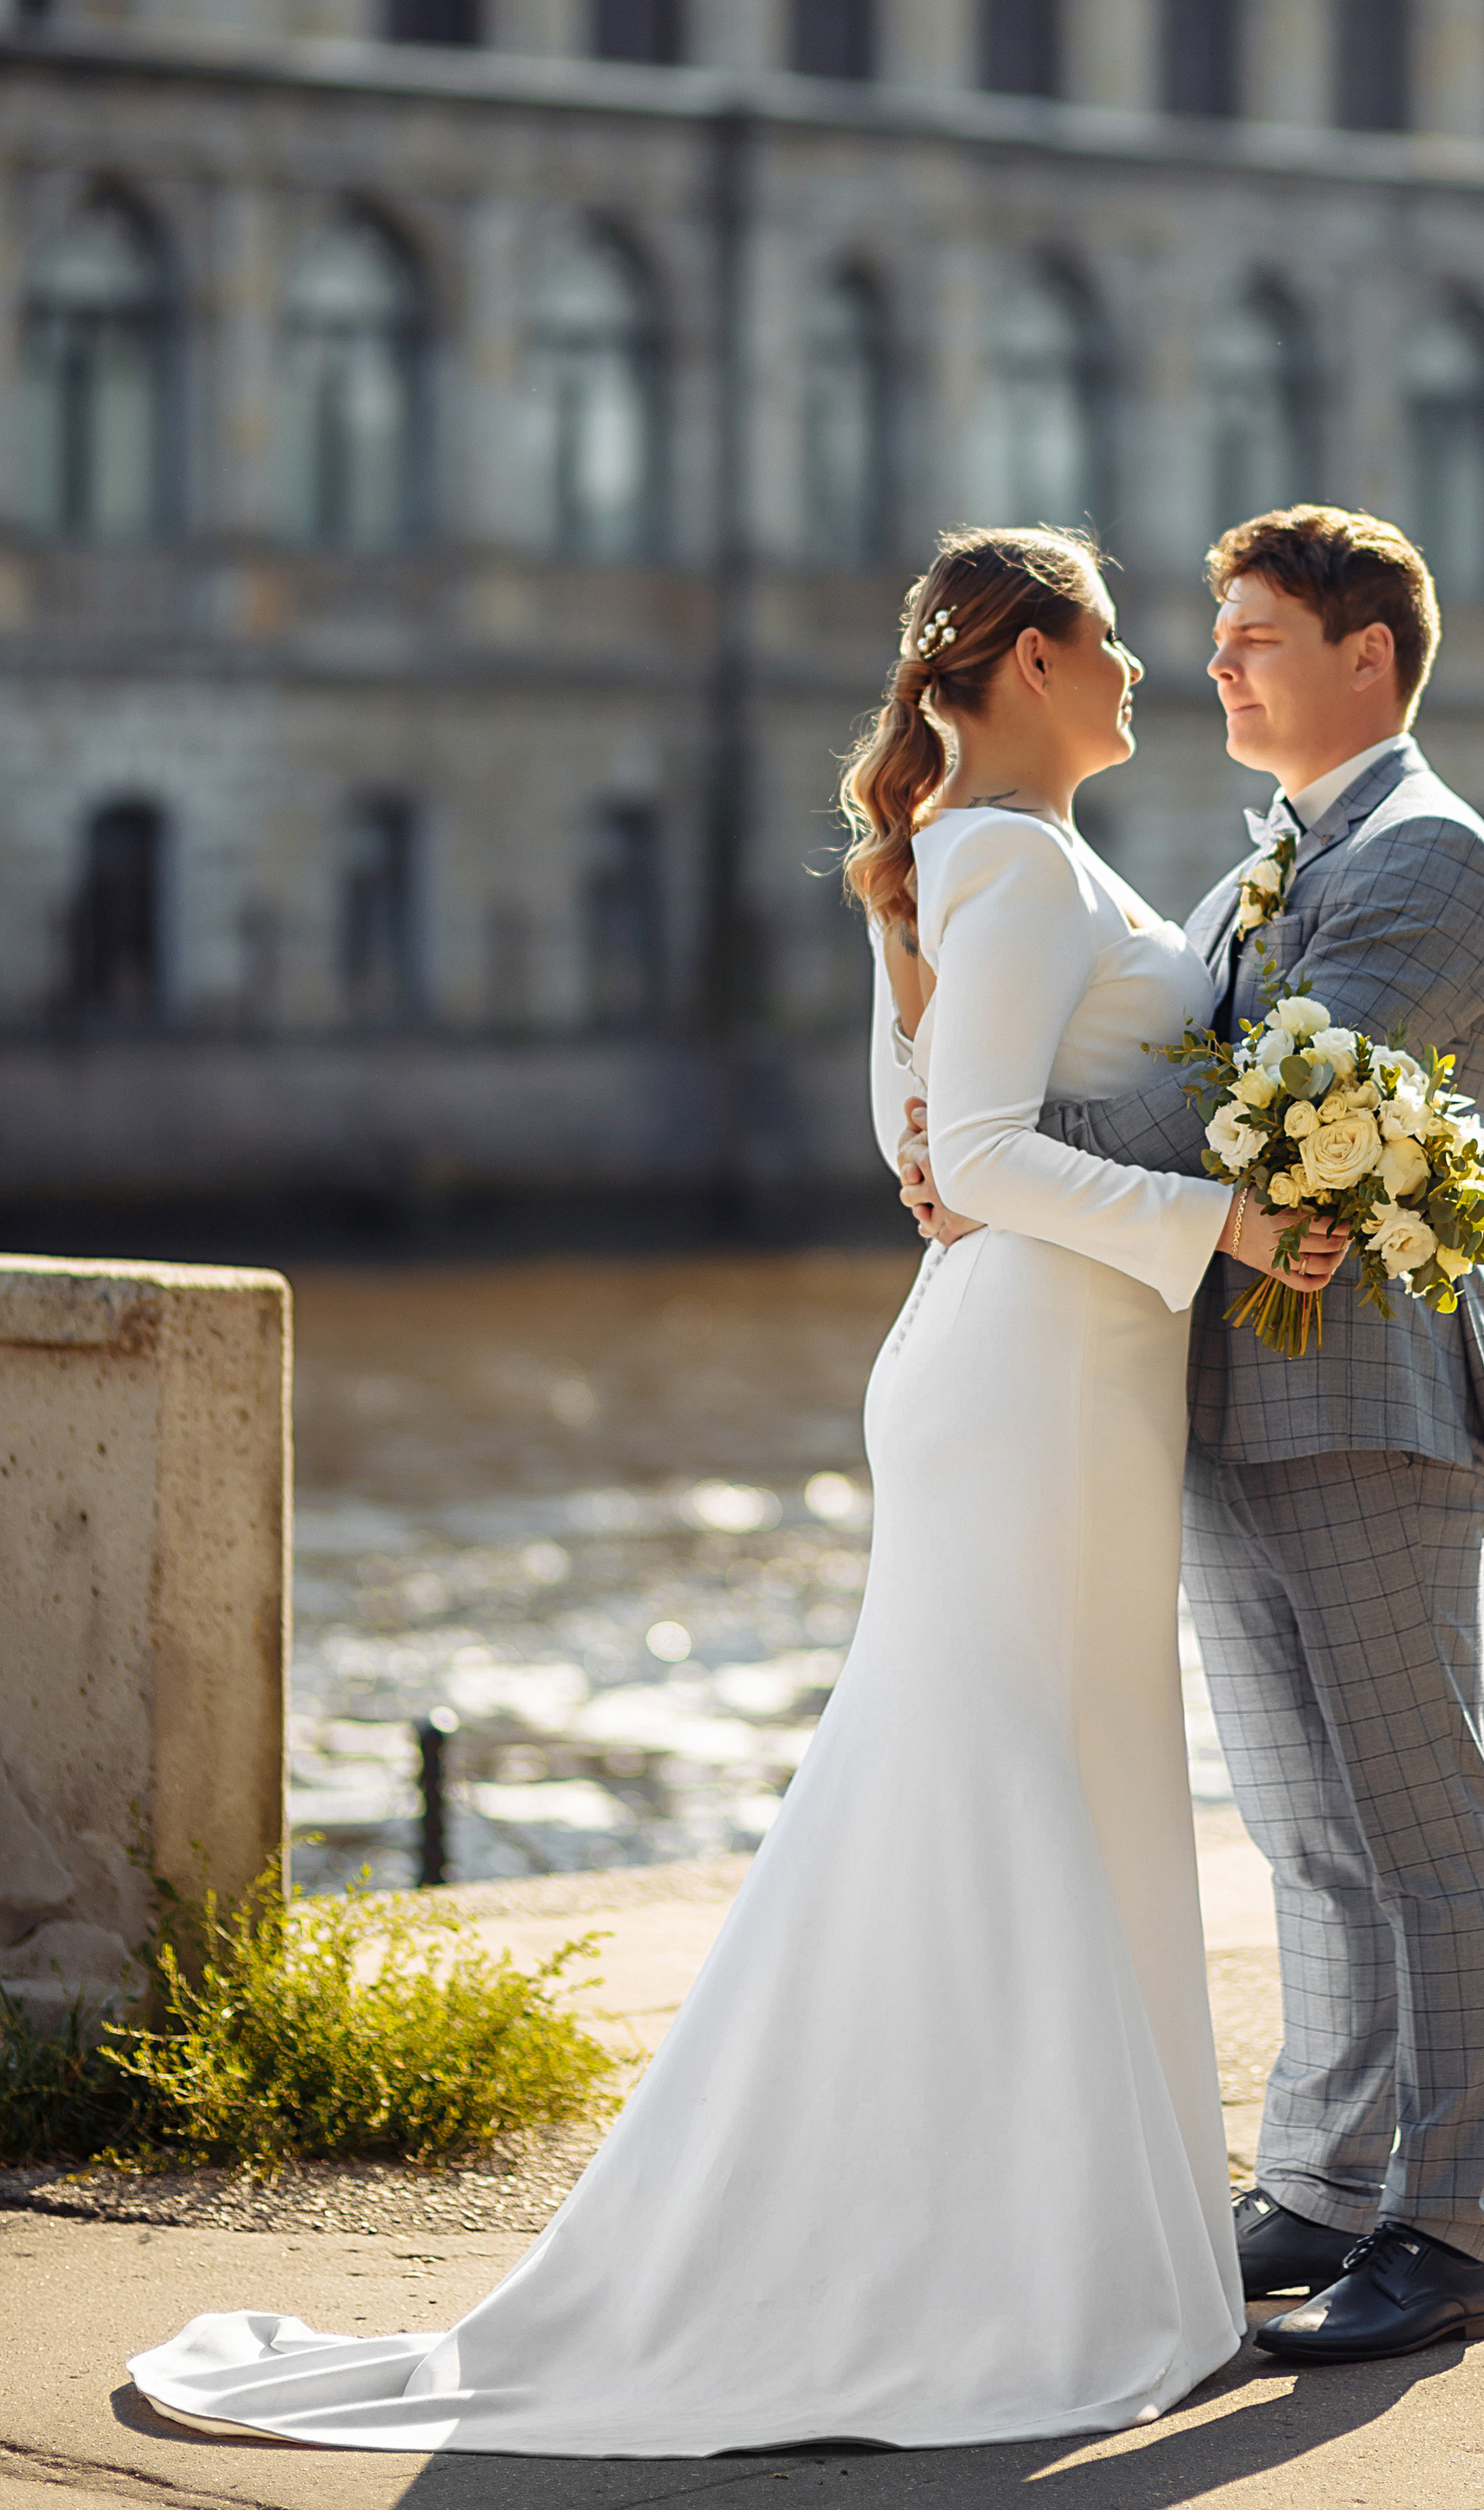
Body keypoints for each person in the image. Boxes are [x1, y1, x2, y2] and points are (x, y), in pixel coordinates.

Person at [127, 525, 1347, 2458]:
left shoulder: (956, 850)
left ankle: (1060, 2252)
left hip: (1026, 1370)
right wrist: (1238, 1221)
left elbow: (913, 1145)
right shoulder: (1012, 857)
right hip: (1032, 1381)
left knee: (1041, 1793)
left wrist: (1031, 1184)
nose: (1142, 673)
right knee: (1015, 1799)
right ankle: (1030, 2274)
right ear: (1025, 657)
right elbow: (987, 1151)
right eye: (1111, 641)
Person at [901, 505, 1484, 2367]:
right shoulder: (1262, 857)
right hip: (1225, 1389)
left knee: (1420, 1826)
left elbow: (1262, 1123)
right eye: (1215, 629)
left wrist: (1002, 1160)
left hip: (1365, 1402)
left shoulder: (1422, 858)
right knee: (1304, 1826)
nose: (1219, 662)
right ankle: (1323, 2187)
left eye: (1257, 633)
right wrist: (983, 1149)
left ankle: (1441, 2228)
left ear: (1368, 656)